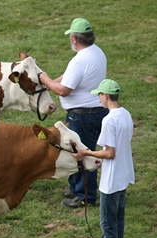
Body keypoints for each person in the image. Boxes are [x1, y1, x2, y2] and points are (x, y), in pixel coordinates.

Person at [39, 18, 108, 208]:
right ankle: (76, 188)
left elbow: (63, 90)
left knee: (82, 153)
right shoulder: (96, 53)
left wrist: (44, 79)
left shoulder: (81, 59)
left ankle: (85, 196)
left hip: (82, 115)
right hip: (93, 112)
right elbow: (68, 76)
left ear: (75, 39)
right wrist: (52, 80)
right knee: (79, 150)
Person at [71, 79, 135, 238]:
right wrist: (100, 159)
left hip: (111, 181)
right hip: (123, 176)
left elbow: (110, 152)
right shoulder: (125, 114)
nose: (98, 97)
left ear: (106, 96)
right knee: (118, 223)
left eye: (99, 94)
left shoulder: (109, 120)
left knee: (108, 226)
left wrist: (86, 153)